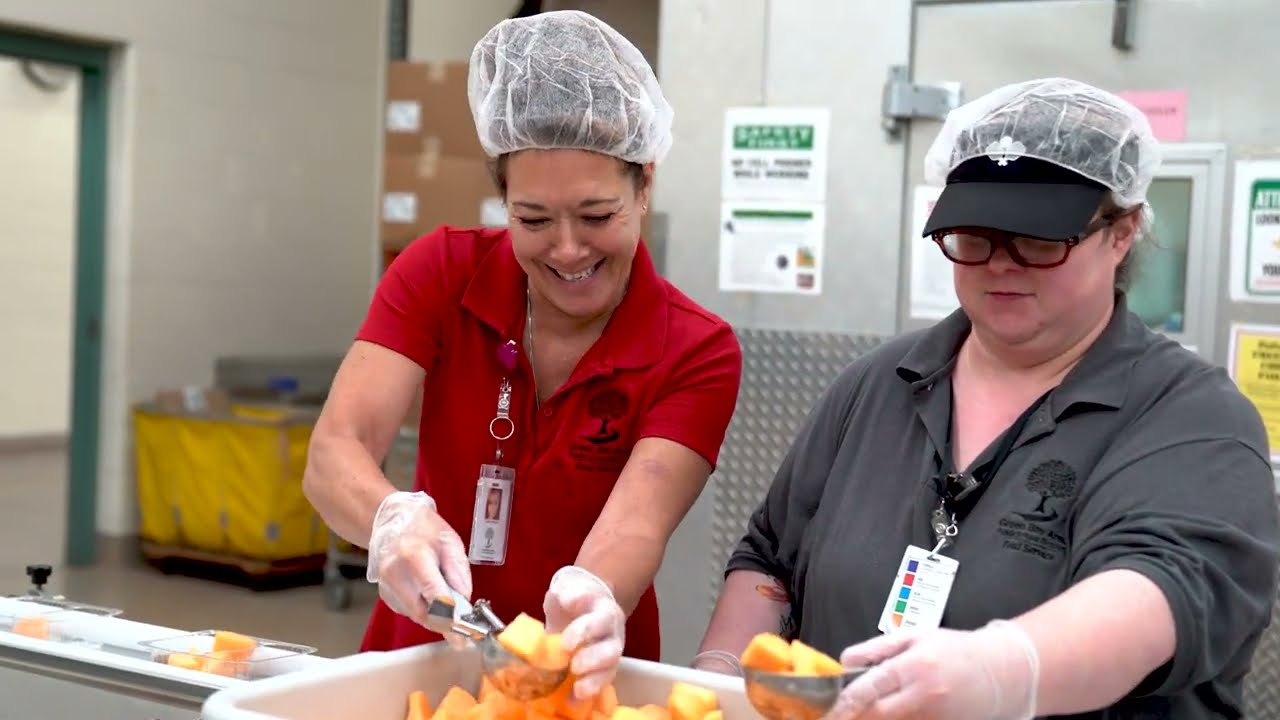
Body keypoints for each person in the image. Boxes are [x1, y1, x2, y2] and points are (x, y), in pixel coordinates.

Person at [694, 77, 1280, 719]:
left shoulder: (1191, 416)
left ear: (1121, 232)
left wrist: (1004, 668)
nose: (1001, 263)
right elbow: (770, 559)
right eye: (973, 238)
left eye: (1039, 240)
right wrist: (721, 679)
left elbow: (1161, 587)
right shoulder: (879, 384)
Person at [302, 9, 742, 700]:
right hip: (421, 667)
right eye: (533, 220)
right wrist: (392, 520)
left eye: (596, 216)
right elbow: (335, 451)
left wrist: (592, 593)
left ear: (645, 184)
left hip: (580, 680)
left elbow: (637, 521)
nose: (567, 249)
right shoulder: (440, 272)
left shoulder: (696, 349)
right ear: (502, 198)